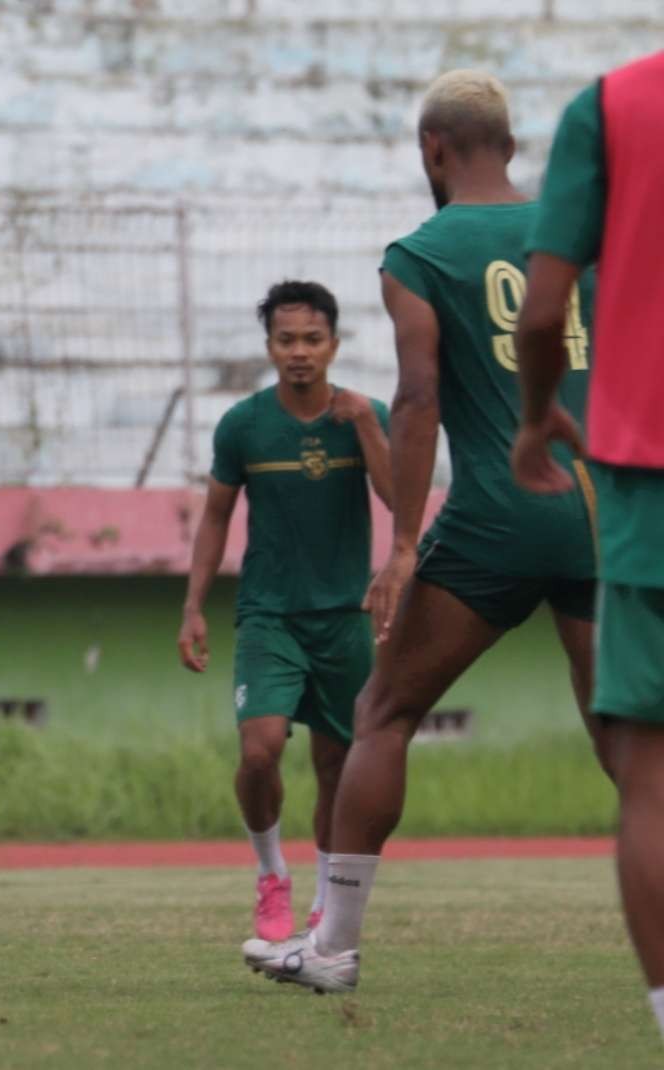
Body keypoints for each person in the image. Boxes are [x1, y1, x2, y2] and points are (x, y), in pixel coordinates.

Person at [250, 70, 602, 994]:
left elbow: (418, 398)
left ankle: (331, 949)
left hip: (494, 519)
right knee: (632, 743)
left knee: (385, 713)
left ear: (433, 150)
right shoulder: (582, 240)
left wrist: (404, 546)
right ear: (513, 148)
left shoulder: (419, 252)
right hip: (600, 510)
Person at [511, 49, 664, 1040]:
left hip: (644, 475)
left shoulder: (609, 104)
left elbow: (540, 310)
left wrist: (533, 418)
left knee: (645, 769)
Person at [179, 280, 391, 945]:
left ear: (333, 343)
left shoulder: (368, 414)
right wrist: (192, 606)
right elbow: (215, 516)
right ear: (269, 345)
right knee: (260, 748)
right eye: (285, 340)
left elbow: (396, 496)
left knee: (338, 767)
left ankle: (328, 901)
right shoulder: (243, 424)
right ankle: (272, 874)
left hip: (344, 617)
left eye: (312, 339)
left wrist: (362, 425)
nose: (299, 352)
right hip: (269, 616)